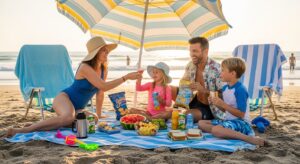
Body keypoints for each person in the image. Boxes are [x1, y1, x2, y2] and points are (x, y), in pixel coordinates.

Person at [7, 36, 141, 138]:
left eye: (107, 51)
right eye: (104, 51)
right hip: (64, 98)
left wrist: (99, 115)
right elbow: (104, 86)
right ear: (95, 53)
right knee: (68, 117)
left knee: (92, 119)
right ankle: (23, 130)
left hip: (78, 108)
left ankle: (40, 125)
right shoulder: (85, 67)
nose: (107, 53)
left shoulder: (103, 69)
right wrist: (125, 78)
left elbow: (100, 92)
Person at [198, 57, 265, 146]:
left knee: (216, 130)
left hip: (242, 123)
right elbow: (225, 110)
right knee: (201, 123)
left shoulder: (240, 89)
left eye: (222, 70)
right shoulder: (225, 88)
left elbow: (241, 114)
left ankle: (248, 138)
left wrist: (223, 104)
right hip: (229, 121)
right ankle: (225, 131)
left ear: (232, 73)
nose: (220, 73)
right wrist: (217, 104)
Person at [173, 37, 224, 122]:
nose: (191, 54)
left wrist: (204, 90)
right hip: (195, 101)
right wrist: (185, 85)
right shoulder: (191, 65)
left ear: (206, 51)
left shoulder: (217, 70)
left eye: (195, 51)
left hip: (210, 108)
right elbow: (184, 86)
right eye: (190, 51)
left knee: (183, 116)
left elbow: (224, 96)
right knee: (170, 91)